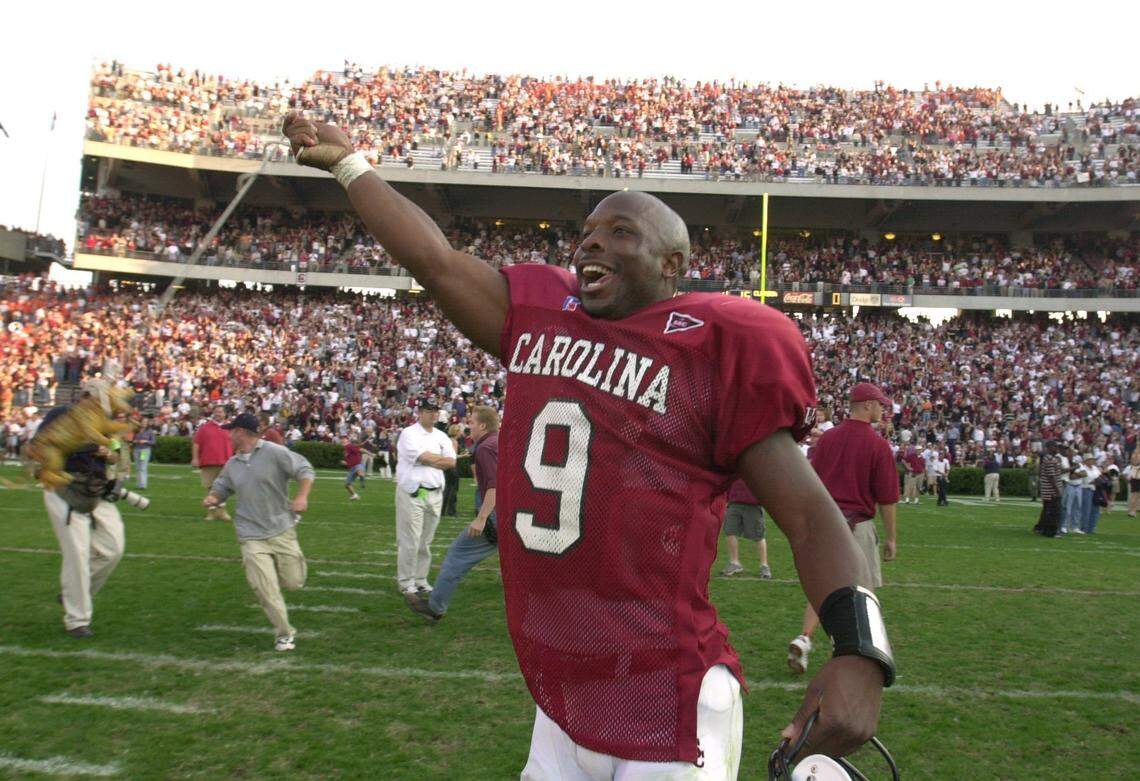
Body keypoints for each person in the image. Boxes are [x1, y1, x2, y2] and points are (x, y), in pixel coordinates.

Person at [286, 114, 893, 776]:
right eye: (587, 234)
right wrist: (351, 166)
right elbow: (435, 260)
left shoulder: (713, 346)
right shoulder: (544, 317)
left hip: (671, 690)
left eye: (620, 233)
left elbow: (807, 515)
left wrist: (860, 651)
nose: (591, 246)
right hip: (566, 693)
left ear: (672, 264)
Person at [787, 383, 899, 676]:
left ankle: (805, 637)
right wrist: (891, 538)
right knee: (864, 594)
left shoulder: (828, 439)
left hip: (827, 522)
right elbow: (887, 497)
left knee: (822, 587)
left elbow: (811, 481)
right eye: (879, 404)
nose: (882, 409)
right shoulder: (878, 446)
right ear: (866, 405)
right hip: (858, 525)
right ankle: (860, 656)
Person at [202, 412, 314, 652]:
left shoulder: (274, 453)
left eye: (231, 430)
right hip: (250, 533)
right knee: (265, 588)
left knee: (294, 582)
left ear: (241, 432)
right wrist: (214, 496)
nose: (228, 434)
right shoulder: (232, 463)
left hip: (280, 528)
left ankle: (281, 568)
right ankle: (284, 633)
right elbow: (222, 485)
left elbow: (305, 469)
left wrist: (302, 496)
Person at [29, 384, 132, 638]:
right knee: (77, 552)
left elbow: (118, 452)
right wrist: (89, 447)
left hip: (95, 488)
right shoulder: (61, 415)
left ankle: (71, 594)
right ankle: (77, 619)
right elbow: (40, 447)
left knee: (113, 548)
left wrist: (112, 455)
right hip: (64, 487)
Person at [405, 405, 500, 621]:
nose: (469, 426)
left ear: (483, 425)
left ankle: (435, 607)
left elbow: (495, 487)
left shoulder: (486, 448)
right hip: (518, 514)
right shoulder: (499, 441)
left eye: (472, 422)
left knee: (457, 555)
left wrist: (482, 518)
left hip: (497, 515)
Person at [394, 399, 457, 596]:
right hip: (414, 491)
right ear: (420, 412)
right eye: (429, 411)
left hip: (435, 492)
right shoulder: (408, 433)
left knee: (425, 541)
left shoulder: (441, 436)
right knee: (410, 539)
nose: (433, 414)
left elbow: (451, 462)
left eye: (435, 411)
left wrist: (431, 459)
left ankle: (420, 579)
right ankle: (406, 581)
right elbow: (423, 457)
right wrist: (435, 459)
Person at [719, 478, 772, 579]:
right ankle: (734, 563)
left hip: (753, 505)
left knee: (758, 536)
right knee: (730, 532)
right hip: (734, 503)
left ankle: (764, 566)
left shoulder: (756, 466)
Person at [193, 405, 233, 521]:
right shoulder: (205, 427)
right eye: (216, 412)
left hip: (226, 462)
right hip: (208, 462)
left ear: (225, 414)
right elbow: (196, 443)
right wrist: (195, 458)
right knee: (210, 487)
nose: (218, 414)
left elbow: (237, 443)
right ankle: (212, 512)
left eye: (220, 412)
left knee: (224, 488)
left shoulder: (230, 427)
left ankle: (222, 511)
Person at [1033, 441, 1064, 537]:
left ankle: (1042, 528)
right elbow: (1051, 476)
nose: (1057, 449)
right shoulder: (1050, 459)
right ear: (1049, 448)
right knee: (1054, 512)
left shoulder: (1049, 458)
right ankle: (1051, 531)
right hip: (1051, 491)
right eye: (1055, 447)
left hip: (1048, 490)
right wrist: (1057, 489)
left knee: (1047, 510)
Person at [441, 423, 462, 517]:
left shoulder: (448, 440)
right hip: (452, 467)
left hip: (447, 467)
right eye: (459, 431)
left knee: (447, 489)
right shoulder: (454, 442)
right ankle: (451, 511)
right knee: (453, 490)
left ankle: (442, 510)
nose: (461, 432)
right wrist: (464, 455)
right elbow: (453, 456)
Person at [132, 417, 156, 490]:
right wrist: (134, 441)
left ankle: (143, 485)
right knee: (137, 467)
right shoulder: (136, 430)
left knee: (143, 467)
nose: (144, 423)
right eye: (143, 422)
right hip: (136, 450)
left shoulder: (150, 431)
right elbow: (132, 440)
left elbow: (153, 442)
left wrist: (145, 441)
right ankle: (139, 484)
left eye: (146, 422)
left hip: (144, 450)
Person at [342, 436, 366, 501]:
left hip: (357, 465)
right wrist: (345, 462)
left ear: (347, 441)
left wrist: (371, 454)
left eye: (344, 439)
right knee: (347, 485)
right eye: (342, 440)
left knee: (359, 472)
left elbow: (361, 449)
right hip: (351, 468)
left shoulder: (349, 446)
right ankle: (355, 495)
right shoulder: (345, 448)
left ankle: (362, 481)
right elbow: (349, 458)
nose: (343, 441)